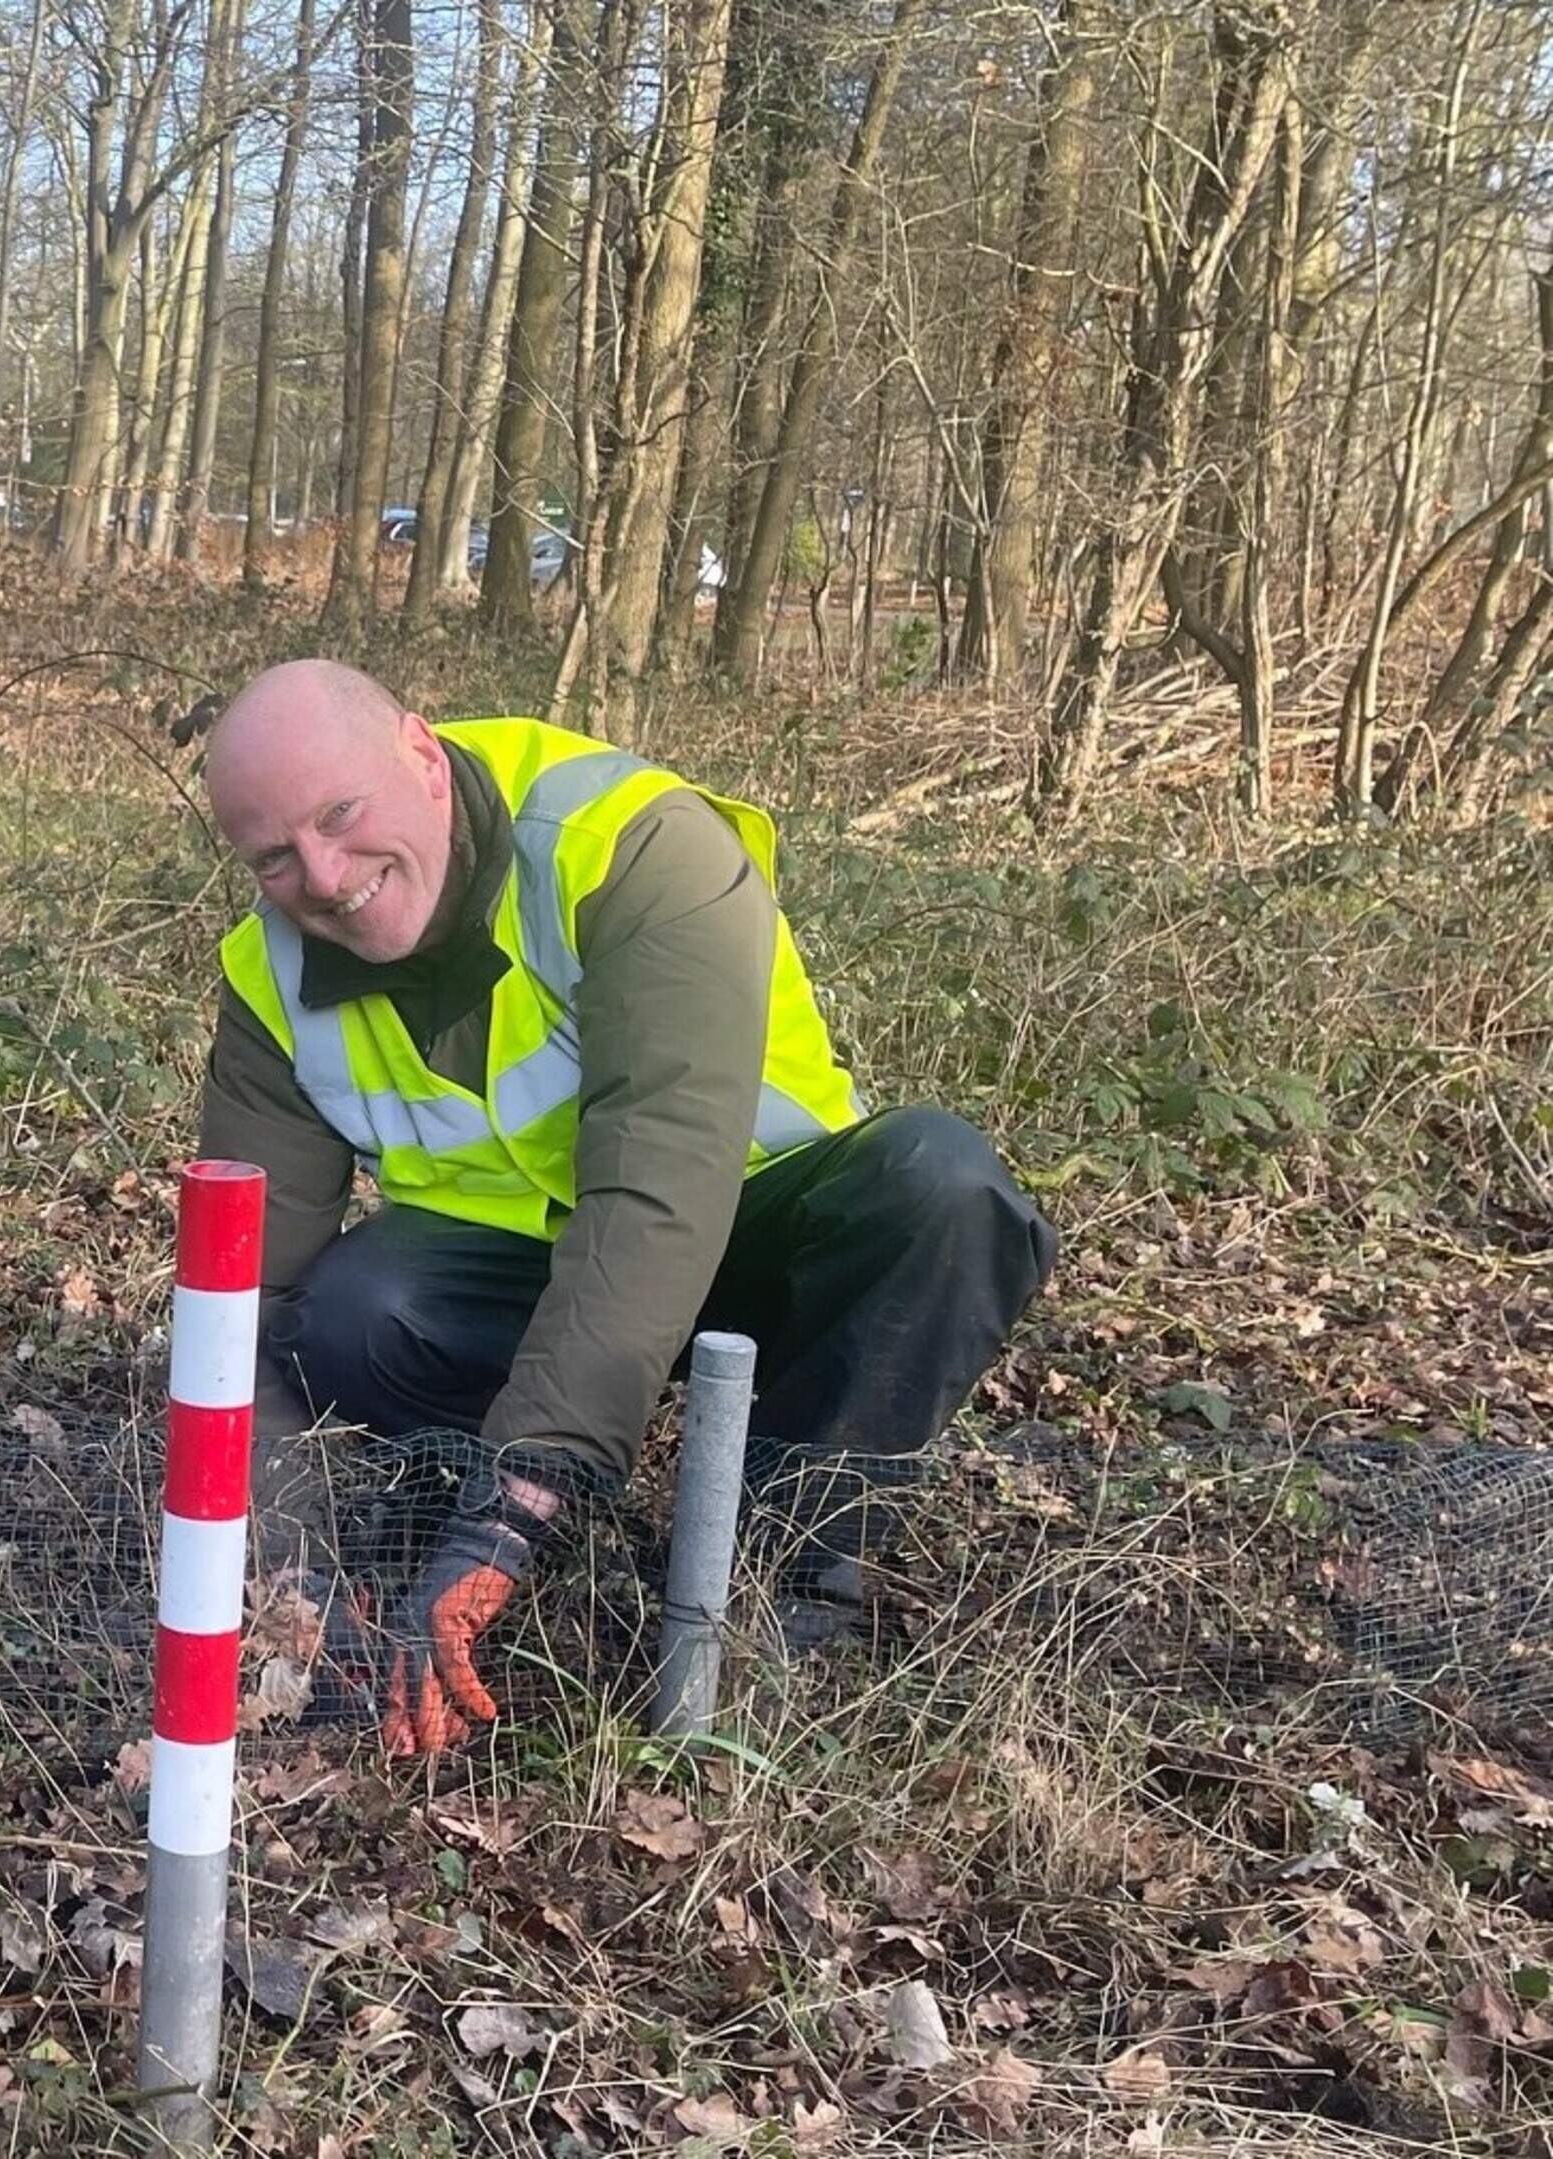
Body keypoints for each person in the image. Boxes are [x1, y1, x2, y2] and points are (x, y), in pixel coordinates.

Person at [194, 660, 1055, 1759]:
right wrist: (283, 1568)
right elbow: (246, 1301)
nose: (322, 876)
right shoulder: (267, 972)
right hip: (522, 1281)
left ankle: (779, 1592)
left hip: (748, 1234)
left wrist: (513, 1510)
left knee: (943, 1189)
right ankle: (476, 1538)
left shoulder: (632, 846)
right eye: (273, 856)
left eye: (340, 815)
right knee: (354, 1310)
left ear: (421, 753)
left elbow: (655, 1197)